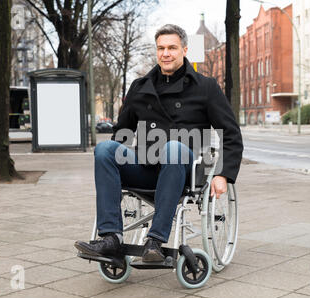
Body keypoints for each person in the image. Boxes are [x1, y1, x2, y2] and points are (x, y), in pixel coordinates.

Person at [75, 24, 243, 262]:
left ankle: (155, 240)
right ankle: (110, 237)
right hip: (146, 168)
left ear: (184, 50)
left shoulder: (205, 87)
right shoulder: (140, 87)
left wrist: (223, 174)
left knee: (173, 148)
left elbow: (231, 133)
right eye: (161, 48)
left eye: (172, 48)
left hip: (187, 171)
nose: (166, 53)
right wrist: (114, 163)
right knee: (104, 149)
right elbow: (122, 132)